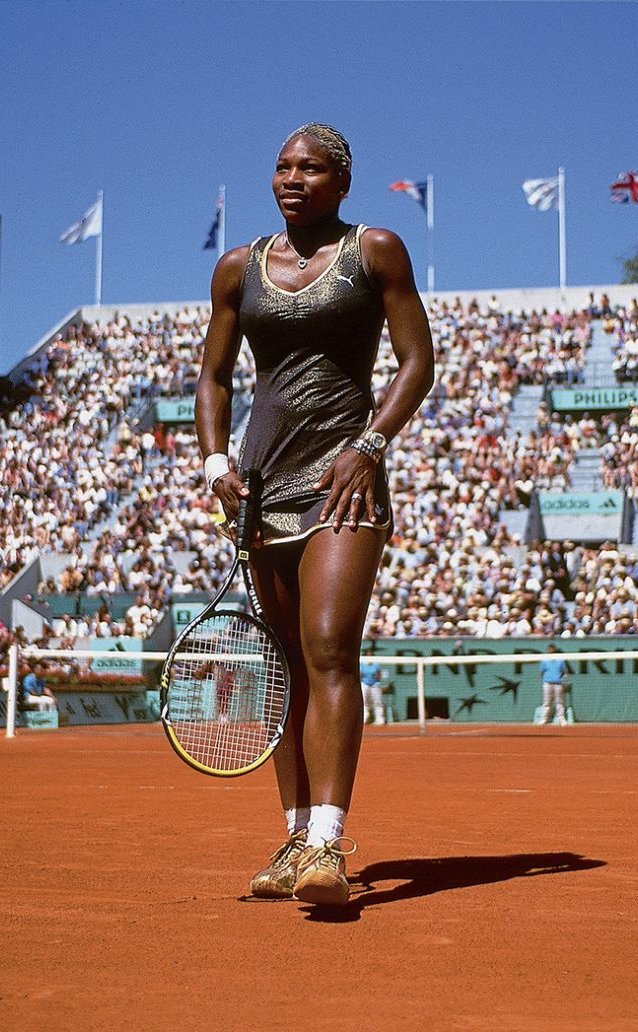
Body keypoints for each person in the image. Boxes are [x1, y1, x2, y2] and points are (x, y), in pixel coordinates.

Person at [195, 123, 434, 906]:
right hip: (263, 486)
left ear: (342, 182)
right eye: (282, 166)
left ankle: (328, 844)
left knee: (328, 647)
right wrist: (215, 461)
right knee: (287, 667)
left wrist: (368, 446)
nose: (292, 177)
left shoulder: (377, 251)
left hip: (345, 483)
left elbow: (417, 363)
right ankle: (294, 839)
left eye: (311, 167)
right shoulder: (239, 268)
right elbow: (215, 377)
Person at [538, 644, 570, 726]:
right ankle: (544, 719)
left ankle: (562, 719)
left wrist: (560, 679)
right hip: (547, 684)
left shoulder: (560, 660)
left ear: (555, 649)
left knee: (559, 702)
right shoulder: (544, 660)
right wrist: (547, 679)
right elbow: (541, 672)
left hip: (558, 684)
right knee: (546, 702)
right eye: (549, 649)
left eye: (552, 649)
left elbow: (565, 671)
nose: (550, 650)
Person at [360, 643, 386, 726]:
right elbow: (360, 675)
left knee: (377, 702)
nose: (369, 655)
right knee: (364, 702)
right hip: (364, 684)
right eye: (368, 654)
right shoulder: (362, 664)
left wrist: (375, 679)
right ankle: (365, 718)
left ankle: (380, 719)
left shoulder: (376, 665)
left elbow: (379, 675)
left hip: (375, 684)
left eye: (371, 654)